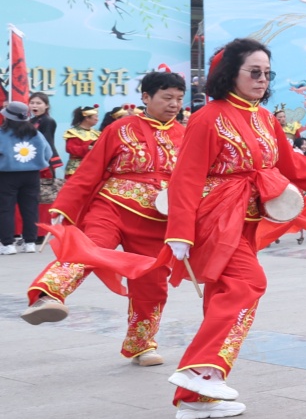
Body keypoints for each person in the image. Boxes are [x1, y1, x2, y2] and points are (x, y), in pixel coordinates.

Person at [164, 39, 306, 419]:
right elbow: (185, 177)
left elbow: (296, 167)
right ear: (230, 73)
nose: (262, 80)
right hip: (214, 219)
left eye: (267, 73)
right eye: (254, 71)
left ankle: (195, 397)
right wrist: (179, 232)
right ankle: (199, 367)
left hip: (246, 220)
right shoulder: (208, 117)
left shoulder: (263, 118)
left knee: (220, 298)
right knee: (249, 284)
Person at [21, 72, 185, 363]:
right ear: (146, 98)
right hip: (111, 205)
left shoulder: (186, 135)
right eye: (167, 98)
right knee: (91, 248)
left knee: (152, 280)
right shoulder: (120, 128)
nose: (174, 104)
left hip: (159, 217)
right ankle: (47, 296)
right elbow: (91, 168)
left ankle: (141, 344)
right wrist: (65, 204)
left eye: (179, 99)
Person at [0, 102, 57, 256]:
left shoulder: (2, 133)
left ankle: (7, 244)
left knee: (6, 209)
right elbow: (48, 153)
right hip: (32, 175)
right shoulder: (35, 133)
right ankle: (30, 242)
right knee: (30, 208)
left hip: (7, 175)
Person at [63, 105, 100, 181]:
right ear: (87, 118)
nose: (97, 119)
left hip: (93, 168)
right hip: (76, 168)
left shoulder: (97, 133)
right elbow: (70, 148)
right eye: (95, 117)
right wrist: (87, 148)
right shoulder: (73, 132)